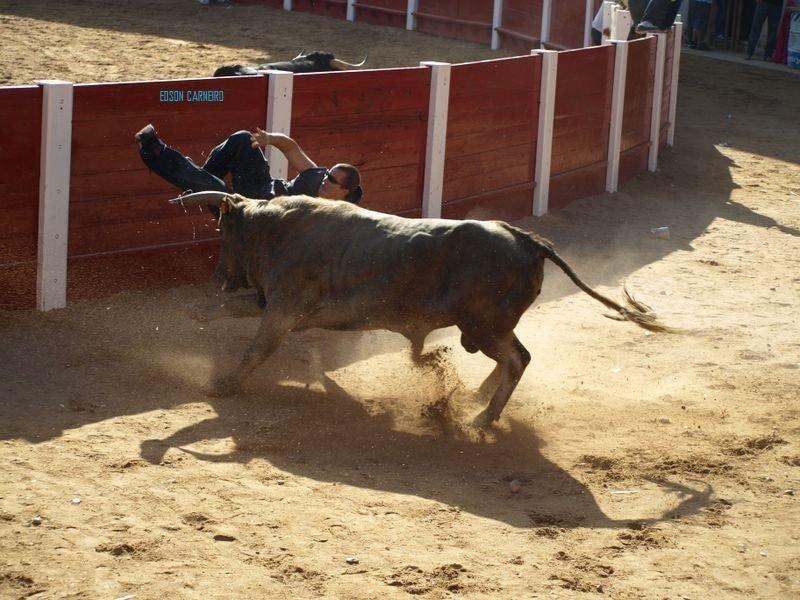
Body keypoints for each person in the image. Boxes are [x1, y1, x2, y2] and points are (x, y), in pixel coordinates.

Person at [134, 125, 363, 207]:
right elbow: (291, 148)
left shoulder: (335, 216)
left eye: (332, 179)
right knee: (244, 139)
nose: (325, 178)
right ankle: (197, 179)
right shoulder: (317, 176)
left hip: (261, 213)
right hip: (262, 186)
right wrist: (269, 139)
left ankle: (154, 153)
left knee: (218, 191)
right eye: (328, 174)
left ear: (344, 191)